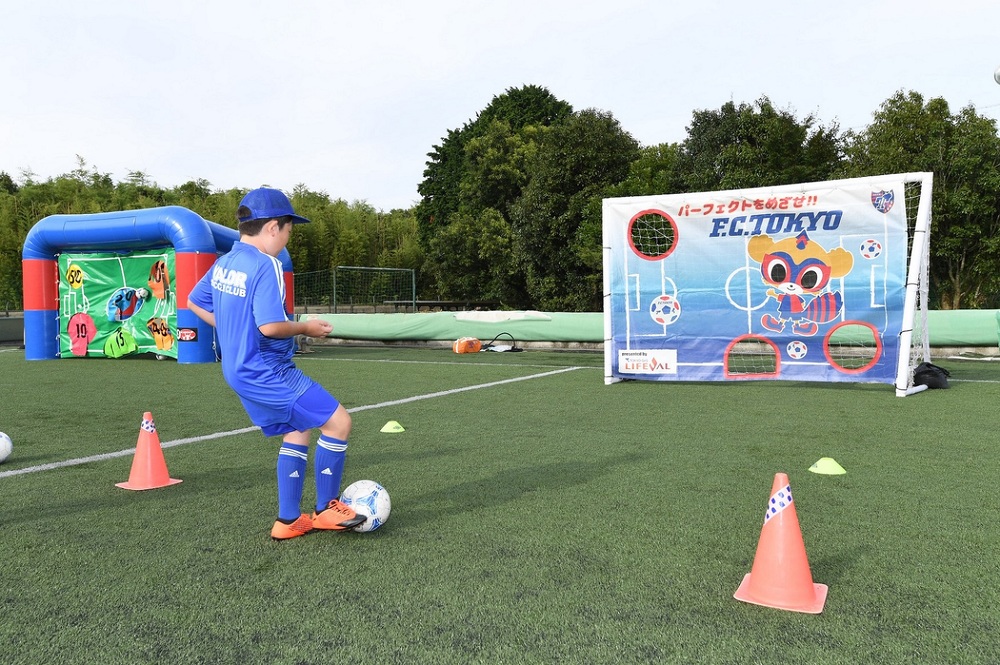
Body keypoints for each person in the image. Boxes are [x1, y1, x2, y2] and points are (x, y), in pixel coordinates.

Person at [187, 186, 365, 540]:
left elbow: (194, 301)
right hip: (267, 369)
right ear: (272, 227)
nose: (288, 238)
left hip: (239, 369)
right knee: (339, 423)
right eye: (288, 230)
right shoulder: (266, 265)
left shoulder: (224, 263)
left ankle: (288, 521)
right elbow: (270, 326)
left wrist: (234, 328)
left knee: (298, 429)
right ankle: (326, 509)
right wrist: (306, 328)